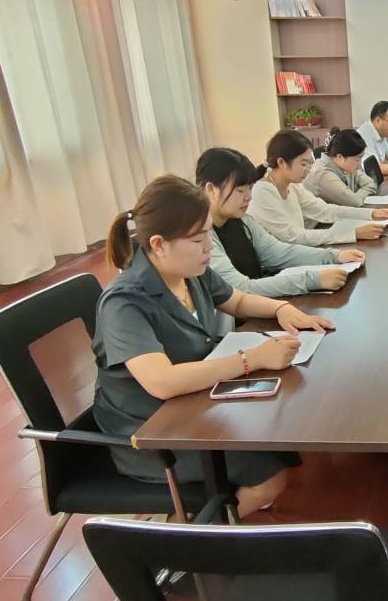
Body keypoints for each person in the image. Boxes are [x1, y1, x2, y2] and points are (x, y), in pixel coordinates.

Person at [92, 175, 335, 519]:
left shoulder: (190, 269)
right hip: (151, 434)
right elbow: (162, 382)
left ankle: (213, 517)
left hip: (195, 405)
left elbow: (236, 301)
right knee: (269, 477)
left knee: (279, 442)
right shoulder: (124, 302)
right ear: (159, 245)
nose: (209, 246)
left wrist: (281, 309)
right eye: (197, 239)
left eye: (208, 233)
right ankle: (187, 539)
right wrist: (251, 359)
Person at [198, 147, 366, 298]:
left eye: (249, 188)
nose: (248, 196)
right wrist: (312, 280)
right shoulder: (202, 236)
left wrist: (333, 256)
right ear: (211, 189)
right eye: (240, 190)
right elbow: (241, 289)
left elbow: (278, 252)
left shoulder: (242, 221)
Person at [249, 130, 388, 246]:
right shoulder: (262, 193)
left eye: (309, 163)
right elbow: (293, 236)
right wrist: (353, 233)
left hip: (301, 249)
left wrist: (371, 214)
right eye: (303, 164)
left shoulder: (293, 186)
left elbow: (325, 210)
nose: (308, 169)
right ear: (281, 162)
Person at [303, 127, 379, 207]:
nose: (360, 164)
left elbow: (371, 183)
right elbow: (354, 202)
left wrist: (358, 195)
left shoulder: (346, 167)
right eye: (357, 159)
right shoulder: (323, 174)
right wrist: (358, 194)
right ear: (340, 157)